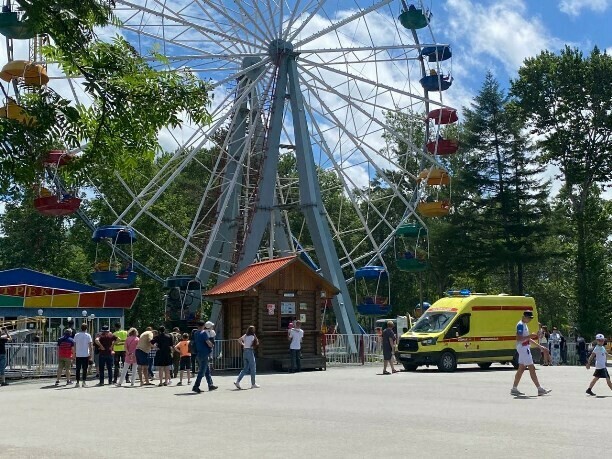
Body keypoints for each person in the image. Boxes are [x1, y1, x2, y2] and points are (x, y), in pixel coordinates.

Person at [510, 311, 551, 396]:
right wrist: (530, 336)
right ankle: (539, 389)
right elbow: (519, 338)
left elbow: (528, 339)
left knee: (521, 368)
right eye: (529, 318)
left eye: (530, 318)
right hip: (523, 348)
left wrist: (539, 346)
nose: (530, 320)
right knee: (531, 368)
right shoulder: (520, 325)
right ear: (524, 317)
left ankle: (514, 388)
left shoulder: (524, 325)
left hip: (524, 347)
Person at [192, 321, 217, 393]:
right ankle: (196, 386)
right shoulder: (203, 333)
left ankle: (210, 385)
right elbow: (209, 343)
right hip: (205, 353)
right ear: (203, 326)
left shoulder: (196, 333)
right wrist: (212, 345)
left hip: (198, 353)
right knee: (202, 372)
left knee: (207, 370)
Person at [234, 325, 259, 390]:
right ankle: (253, 384)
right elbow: (257, 342)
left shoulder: (245, 335)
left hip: (244, 351)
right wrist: (255, 336)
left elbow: (239, 340)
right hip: (250, 351)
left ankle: (237, 381)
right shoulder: (252, 336)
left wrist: (243, 344)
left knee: (245, 368)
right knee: (253, 368)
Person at [73, 323, 93, 388]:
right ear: (86, 328)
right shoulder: (88, 335)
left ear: (80, 328)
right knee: (85, 369)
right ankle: (84, 382)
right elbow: (90, 346)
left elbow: (74, 346)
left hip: (78, 354)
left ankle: (77, 382)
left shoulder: (76, 335)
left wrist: (74, 354)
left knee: (78, 369)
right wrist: (90, 354)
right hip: (85, 354)